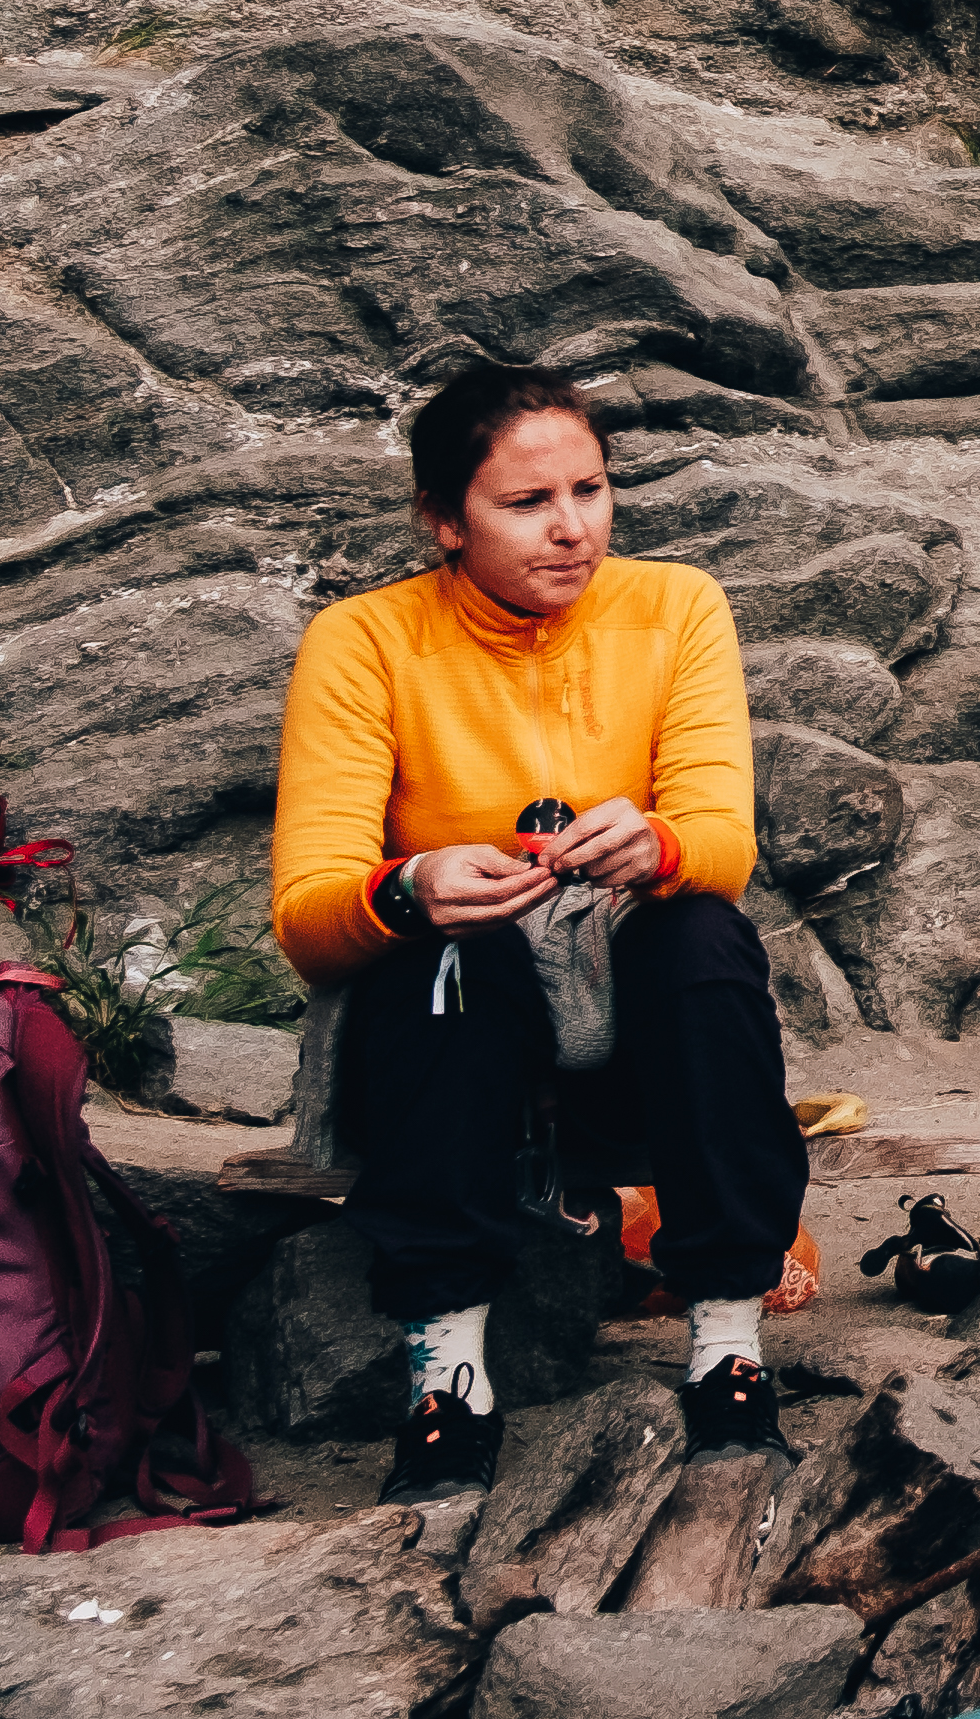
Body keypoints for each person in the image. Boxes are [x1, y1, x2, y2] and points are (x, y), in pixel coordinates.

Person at [271, 359, 808, 1492]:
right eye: (526, 503)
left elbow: (722, 835)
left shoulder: (674, 605)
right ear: (442, 518)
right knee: (449, 960)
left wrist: (658, 846)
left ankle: (726, 1345)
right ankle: (448, 1376)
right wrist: (406, 888)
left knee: (704, 935)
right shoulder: (364, 641)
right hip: (462, 1044)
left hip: (634, 1028)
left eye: (591, 489)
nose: (572, 529)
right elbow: (310, 918)